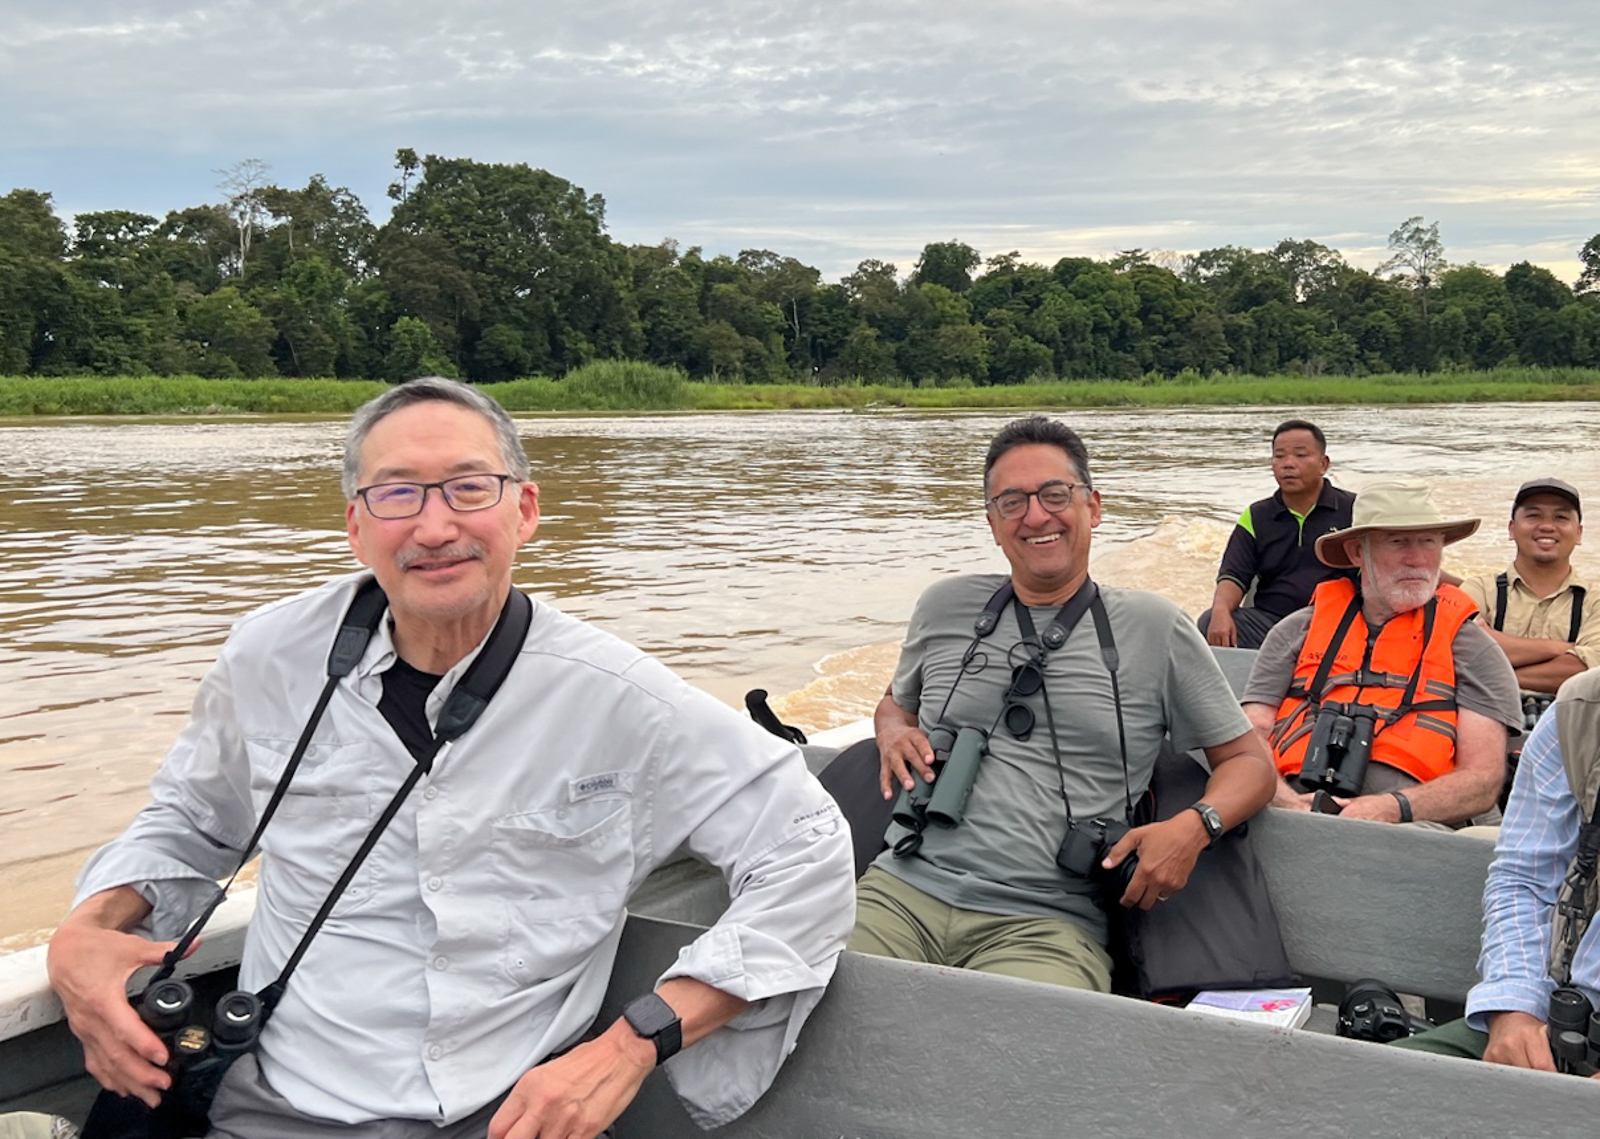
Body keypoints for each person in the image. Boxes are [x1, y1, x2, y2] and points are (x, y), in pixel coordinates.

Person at [46, 378, 856, 1139]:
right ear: (356, 524)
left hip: (509, 1114)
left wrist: (632, 1044)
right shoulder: (269, 656)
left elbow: (806, 846)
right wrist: (86, 931)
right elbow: (191, 823)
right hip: (276, 1104)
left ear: (525, 510)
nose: (434, 527)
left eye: (471, 487)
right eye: (396, 493)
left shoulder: (620, 696)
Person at [849, 416, 1276, 992]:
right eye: (1012, 502)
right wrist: (892, 731)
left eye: (1055, 494)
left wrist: (1195, 826)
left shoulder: (1156, 627)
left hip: (1046, 924)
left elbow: (1251, 765)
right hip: (899, 892)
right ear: (993, 524)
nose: (1036, 516)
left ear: (1093, 507)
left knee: (1031, 1062)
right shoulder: (943, 606)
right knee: (798, 1004)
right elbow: (894, 704)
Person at [1241, 479, 1521, 826]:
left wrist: (1394, 808)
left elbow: (1482, 781)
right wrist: (1285, 802)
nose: (1417, 559)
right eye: (1398, 541)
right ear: (1358, 552)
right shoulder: (1294, 631)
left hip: (1423, 828)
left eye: (1429, 542)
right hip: (1290, 815)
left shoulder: (1473, 648)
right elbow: (1250, 735)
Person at [1392, 667, 1600, 1069]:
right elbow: (1527, 879)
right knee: (1369, 1088)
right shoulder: (1581, 712)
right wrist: (1514, 1009)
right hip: (1567, 1022)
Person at [1200, 419, 1356, 650]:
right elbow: (1234, 575)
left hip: (1338, 622)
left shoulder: (1355, 510)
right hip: (1271, 623)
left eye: (1301, 455)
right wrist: (1221, 612)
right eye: (1279, 456)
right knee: (1209, 622)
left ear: (1323, 464)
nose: (1288, 464)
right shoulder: (1256, 515)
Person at [1460, 478, 1598, 716]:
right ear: (1512, 529)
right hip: (1486, 716)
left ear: (1578, 533)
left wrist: (1493, 672)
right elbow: (1461, 651)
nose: (1546, 526)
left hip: (1574, 723)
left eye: (1561, 517)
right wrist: (1560, 649)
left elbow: (1588, 671)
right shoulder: (1479, 589)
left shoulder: (1594, 599)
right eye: (1533, 515)